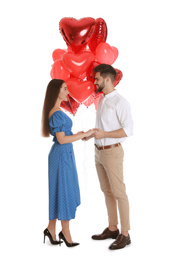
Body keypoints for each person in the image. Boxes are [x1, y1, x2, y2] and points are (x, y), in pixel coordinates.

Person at [41, 79, 95, 247]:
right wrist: (82, 134)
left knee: (61, 190)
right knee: (63, 190)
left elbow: (64, 136)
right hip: (61, 155)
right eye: (65, 89)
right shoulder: (56, 113)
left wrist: (78, 134)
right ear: (56, 91)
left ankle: (52, 228)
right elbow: (62, 139)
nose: (67, 91)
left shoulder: (56, 111)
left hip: (64, 155)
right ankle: (64, 231)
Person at [86, 64, 133, 250]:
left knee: (119, 193)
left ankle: (125, 234)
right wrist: (92, 135)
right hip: (98, 151)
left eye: (96, 78)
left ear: (107, 79)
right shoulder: (103, 99)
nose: (94, 81)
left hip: (112, 152)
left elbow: (128, 130)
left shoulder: (120, 102)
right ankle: (113, 228)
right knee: (107, 191)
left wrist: (104, 134)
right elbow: (103, 127)